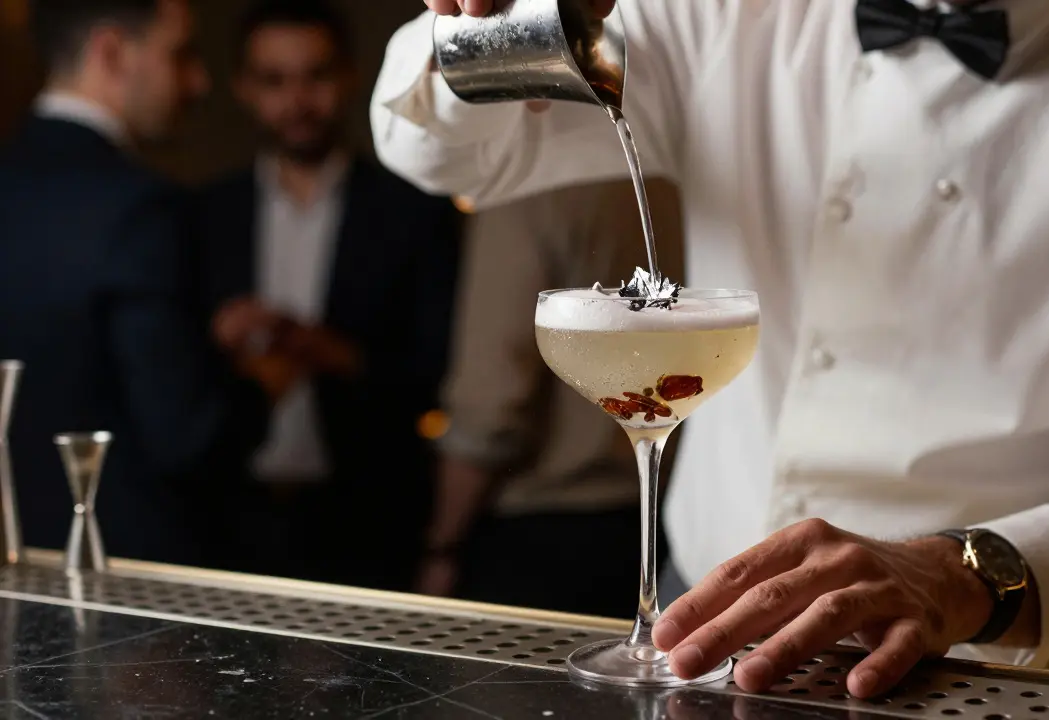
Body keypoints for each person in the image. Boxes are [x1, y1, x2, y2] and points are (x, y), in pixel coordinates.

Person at [372, 0, 1049, 699]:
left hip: (984, 665)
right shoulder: (728, 14)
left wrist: (964, 575)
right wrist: (504, 17)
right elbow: (441, 151)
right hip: (700, 634)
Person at [198, 0, 460, 591]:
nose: (297, 101)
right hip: (231, 516)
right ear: (244, 88)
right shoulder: (206, 214)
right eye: (274, 81)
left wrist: (336, 354)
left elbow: (441, 371)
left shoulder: (411, 211)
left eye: (315, 76)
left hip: (368, 517)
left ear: (348, 77)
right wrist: (216, 339)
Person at [0, 0, 257, 565]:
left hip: (13, 554)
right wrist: (260, 380)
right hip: (122, 571)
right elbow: (184, 438)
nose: (199, 81)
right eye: (180, 54)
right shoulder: (143, 206)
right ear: (112, 52)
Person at [425, 178, 684, 617]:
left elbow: (493, 407)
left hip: (543, 531)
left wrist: (442, 544)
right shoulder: (669, 178)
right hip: (658, 520)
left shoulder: (530, 187)